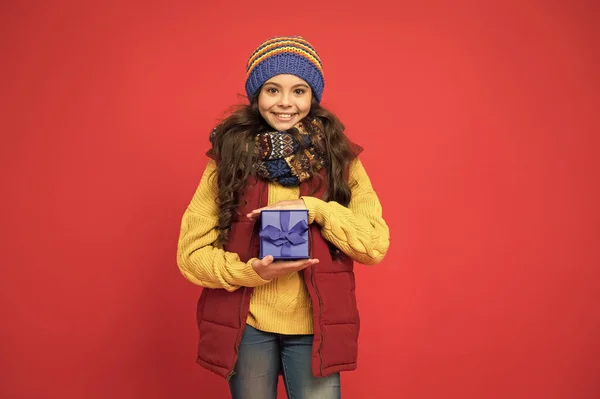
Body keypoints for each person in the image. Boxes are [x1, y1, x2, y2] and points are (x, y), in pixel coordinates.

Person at [177, 35, 390, 399]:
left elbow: (374, 245)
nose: (286, 103)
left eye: (299, 91)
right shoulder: (228, 158)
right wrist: (250, 272)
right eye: (273, 90)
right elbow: (190, 256)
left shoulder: (341, 159)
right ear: (257, 95)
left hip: (315, 327)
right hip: (247, 326)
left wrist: (315, 209)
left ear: (313, 97)